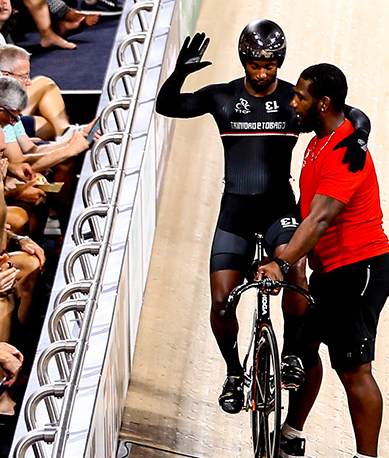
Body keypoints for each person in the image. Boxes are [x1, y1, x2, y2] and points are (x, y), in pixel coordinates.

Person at [154, 22, 367, 416]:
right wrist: (180, 72)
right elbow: (168, 105)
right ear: (244, 61)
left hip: (277, 209)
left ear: (279, 63)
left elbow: (345, 108)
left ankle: (290, 357)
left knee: (295, 272)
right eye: (255, 65)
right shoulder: (223, 97)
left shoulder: (294, 98)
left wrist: (360, 134)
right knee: (221, 301)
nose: (263, 73)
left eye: (270, 65)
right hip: (234, 211)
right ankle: (234, 372)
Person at [263, 62, 389, 458]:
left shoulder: (342, 151)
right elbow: (351, 110)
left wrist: (282, 264)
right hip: (333, 270)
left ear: (321, 103)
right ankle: (292, 434)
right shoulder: (325, 136)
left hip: (359, 268)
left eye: (299, 96)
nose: (291, 101)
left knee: (354, 368)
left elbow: (319, 220)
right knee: (302, 351)